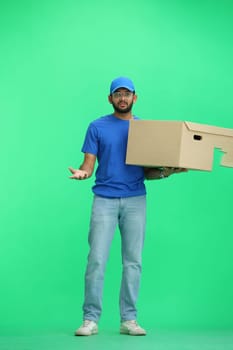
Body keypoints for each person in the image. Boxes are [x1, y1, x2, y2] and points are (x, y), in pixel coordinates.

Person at [69, 76, 186, 336]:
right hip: (104, 200)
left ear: (135, 97)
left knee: (133, 262)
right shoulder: (97, 127)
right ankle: (90, 319)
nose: (122, 98)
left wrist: (170, 172)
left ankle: (129, 320)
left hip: (135, 200)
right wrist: (82, 173)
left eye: (127, 93)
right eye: (117, 94)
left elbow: (149, 172)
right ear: (110, 98)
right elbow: (88, 164)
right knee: (97, 260)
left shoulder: (145, 130)